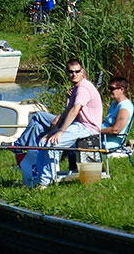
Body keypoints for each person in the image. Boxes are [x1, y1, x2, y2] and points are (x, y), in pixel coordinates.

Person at [13, 59, 103, 187]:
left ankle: (46, 182)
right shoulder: (76, 89)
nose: (74, 74)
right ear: (67, 72)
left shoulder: (83, 88)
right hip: (79, 125)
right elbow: (67, 112)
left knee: (51, 144)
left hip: (88, 127)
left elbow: (74, 110)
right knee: (43, 142)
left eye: (77, 71)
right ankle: (39, 179)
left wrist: (60, 132)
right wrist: (53, 131)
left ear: (82, 72)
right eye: (71, 72)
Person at [101, 76, 134, 150]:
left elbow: (115, 130)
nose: (109, 91)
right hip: (101, 137)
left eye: (112, 88)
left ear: (121, 89)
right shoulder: (114, 104)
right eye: (109, 88)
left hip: (109, 143)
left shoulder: (125, 107)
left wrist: (96, 131)